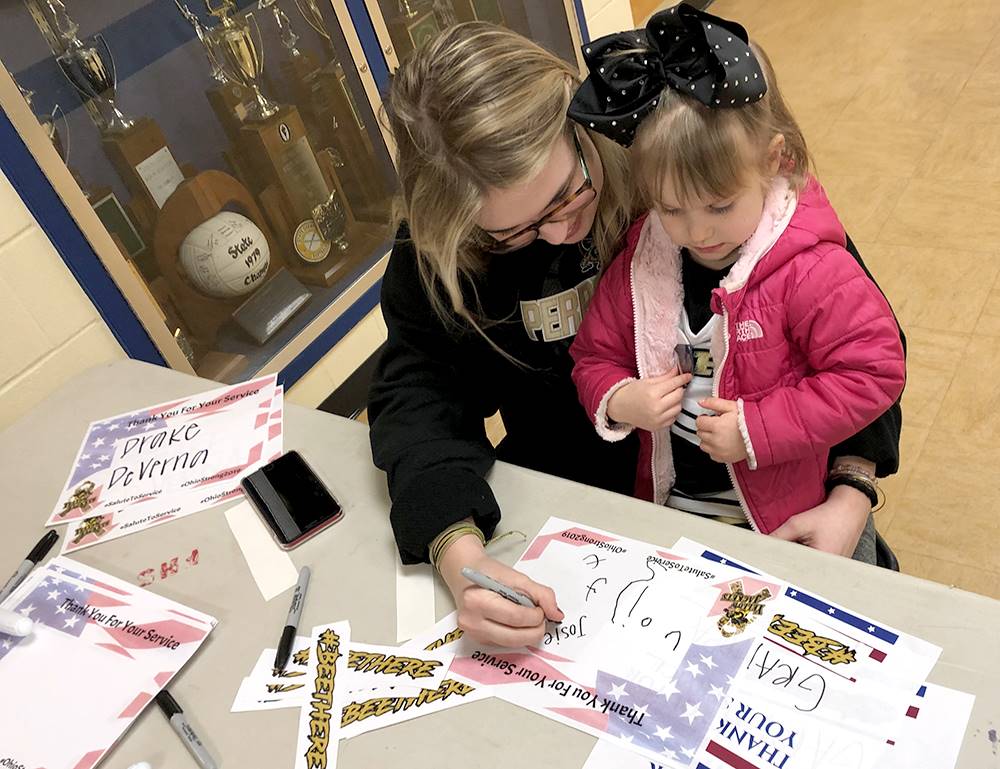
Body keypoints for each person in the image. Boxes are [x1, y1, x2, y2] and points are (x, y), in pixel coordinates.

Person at [367, 21, 904, 648]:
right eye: (512, 234)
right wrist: (457, 549)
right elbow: (421, 394)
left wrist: (852, 491)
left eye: (571, 195)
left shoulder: (682, 159)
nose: (562, 233)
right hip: (582, 525)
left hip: (763, 499)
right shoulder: (441, 246)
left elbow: (857, 346)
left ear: (590, 130)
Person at [569, 4, 906, 556]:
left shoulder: (811, 268)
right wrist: (617, 397)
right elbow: (592, 356)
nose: (697, 233)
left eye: (720, 206)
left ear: (775, 161)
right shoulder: (643, 259)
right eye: (671, 209)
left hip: (785, 516)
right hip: (672, 507)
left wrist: (759, 428)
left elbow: (874, 370)